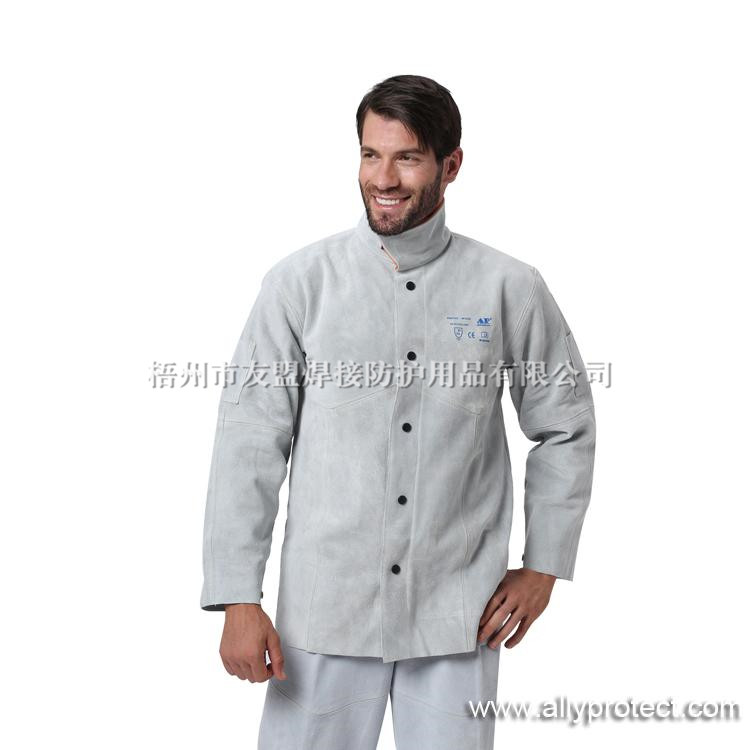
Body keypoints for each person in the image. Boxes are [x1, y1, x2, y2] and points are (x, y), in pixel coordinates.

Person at [200, 74, 596, 749]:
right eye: (370, 155)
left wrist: (543, 566)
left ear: (451, 165)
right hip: (324, 614)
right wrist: (239, 596)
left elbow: (566, 426)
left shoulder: (509, 287)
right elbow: (250, 440)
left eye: (407, 158)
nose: (383, 178)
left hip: (458, 615)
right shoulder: (300, 284)